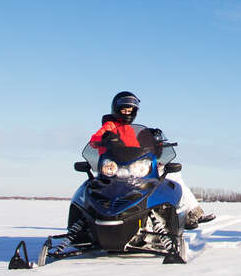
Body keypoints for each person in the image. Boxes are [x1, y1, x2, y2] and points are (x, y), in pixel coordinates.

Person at [89, 91, 214, 229]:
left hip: (131, 167)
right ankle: (189, 213)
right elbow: (94, 140)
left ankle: (187, 213)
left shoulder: (130, 130)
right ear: (116, 109)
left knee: (172, 174)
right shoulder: (110, 125)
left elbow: (137, 149)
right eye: (124, 109)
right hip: (117, 169)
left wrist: (153, 142)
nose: (127, 112)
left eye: (130, 110)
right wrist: (106, 138)